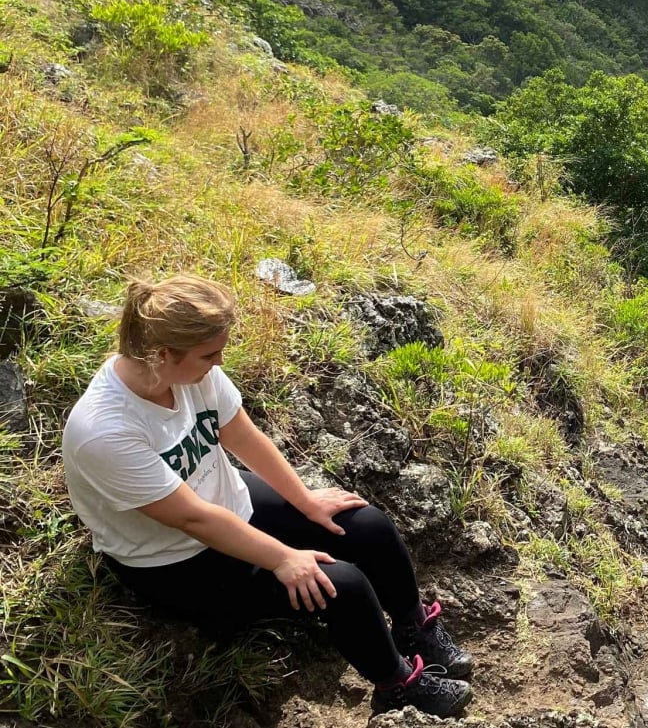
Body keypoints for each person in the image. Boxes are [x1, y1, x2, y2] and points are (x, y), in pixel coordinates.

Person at [61, 275, 473, 717]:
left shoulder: (191, 374)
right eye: (210, 353)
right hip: (174, 559)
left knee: (365, 524)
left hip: (225, 500)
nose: (219, 361)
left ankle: (412, 627)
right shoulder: (105, 432)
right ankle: (395, 684)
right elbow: (192, 520)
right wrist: (282, 557)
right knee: (340, 583)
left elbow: (241, 435)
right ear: (162, 354)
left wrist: (305, 501)